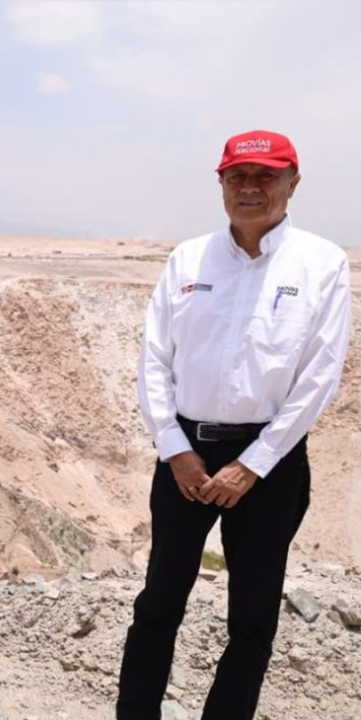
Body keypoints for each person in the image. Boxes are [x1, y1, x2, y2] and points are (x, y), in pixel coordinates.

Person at [117, 130, 353, 720]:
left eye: (265, 176)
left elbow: (318, 377)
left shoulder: (321, 264)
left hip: (269, 463)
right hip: (185, 457)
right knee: (158, 605)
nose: (250, 188)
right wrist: (174, 449)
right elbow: (154, 361)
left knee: (252, 618)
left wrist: (252, 465)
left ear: (293, 183)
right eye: (237, 177)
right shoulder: (187, 260)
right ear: (220, 183)